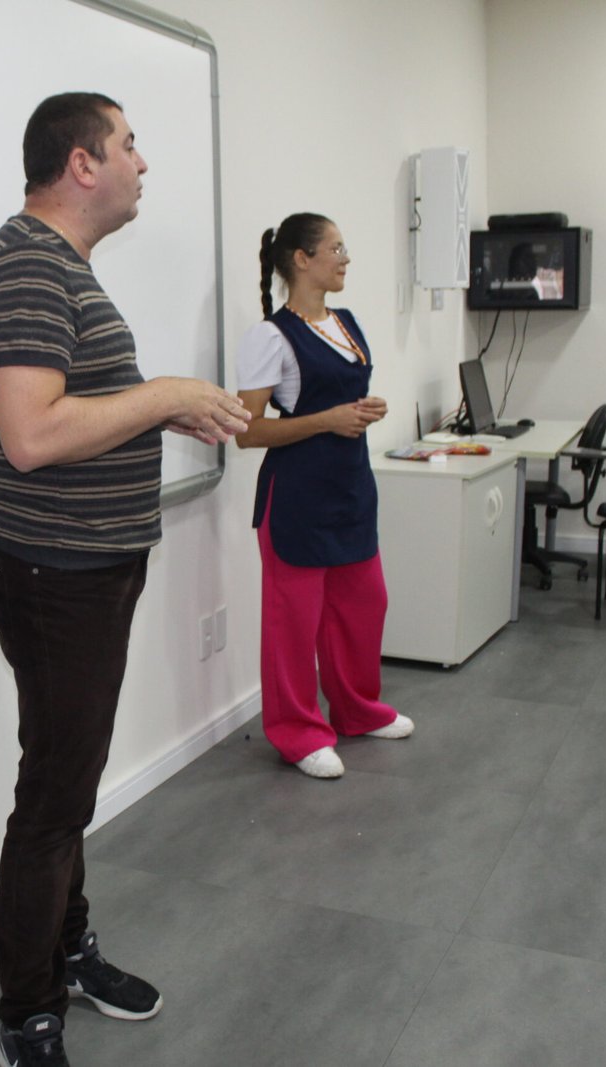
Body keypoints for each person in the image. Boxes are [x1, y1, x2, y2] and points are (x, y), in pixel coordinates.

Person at [0, 92, 250, 1067]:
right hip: (55, 571)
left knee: (67, 779)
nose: (142, 162)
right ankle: (26, 1010)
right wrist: (161, 393)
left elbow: (70, 405)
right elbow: (31, 434)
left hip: (83, 564)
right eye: (128, 143)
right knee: (54, 796)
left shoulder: (58, 265)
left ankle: (67, 947)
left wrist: (154, 410)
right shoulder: (25, 267)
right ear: (81, 163)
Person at [233, 213, 414, 779]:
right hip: (297, 499)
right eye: (336, 249)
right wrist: (327, 420)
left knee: (364, 607)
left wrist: (363, 410)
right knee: (293, 624)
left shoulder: (346, 323)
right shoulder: (270, 337)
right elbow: (247, 432)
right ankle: (298, 733)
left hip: (351, 489)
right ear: (302, 259)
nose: (346, 258)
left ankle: (357, 710)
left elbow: (340, 402)